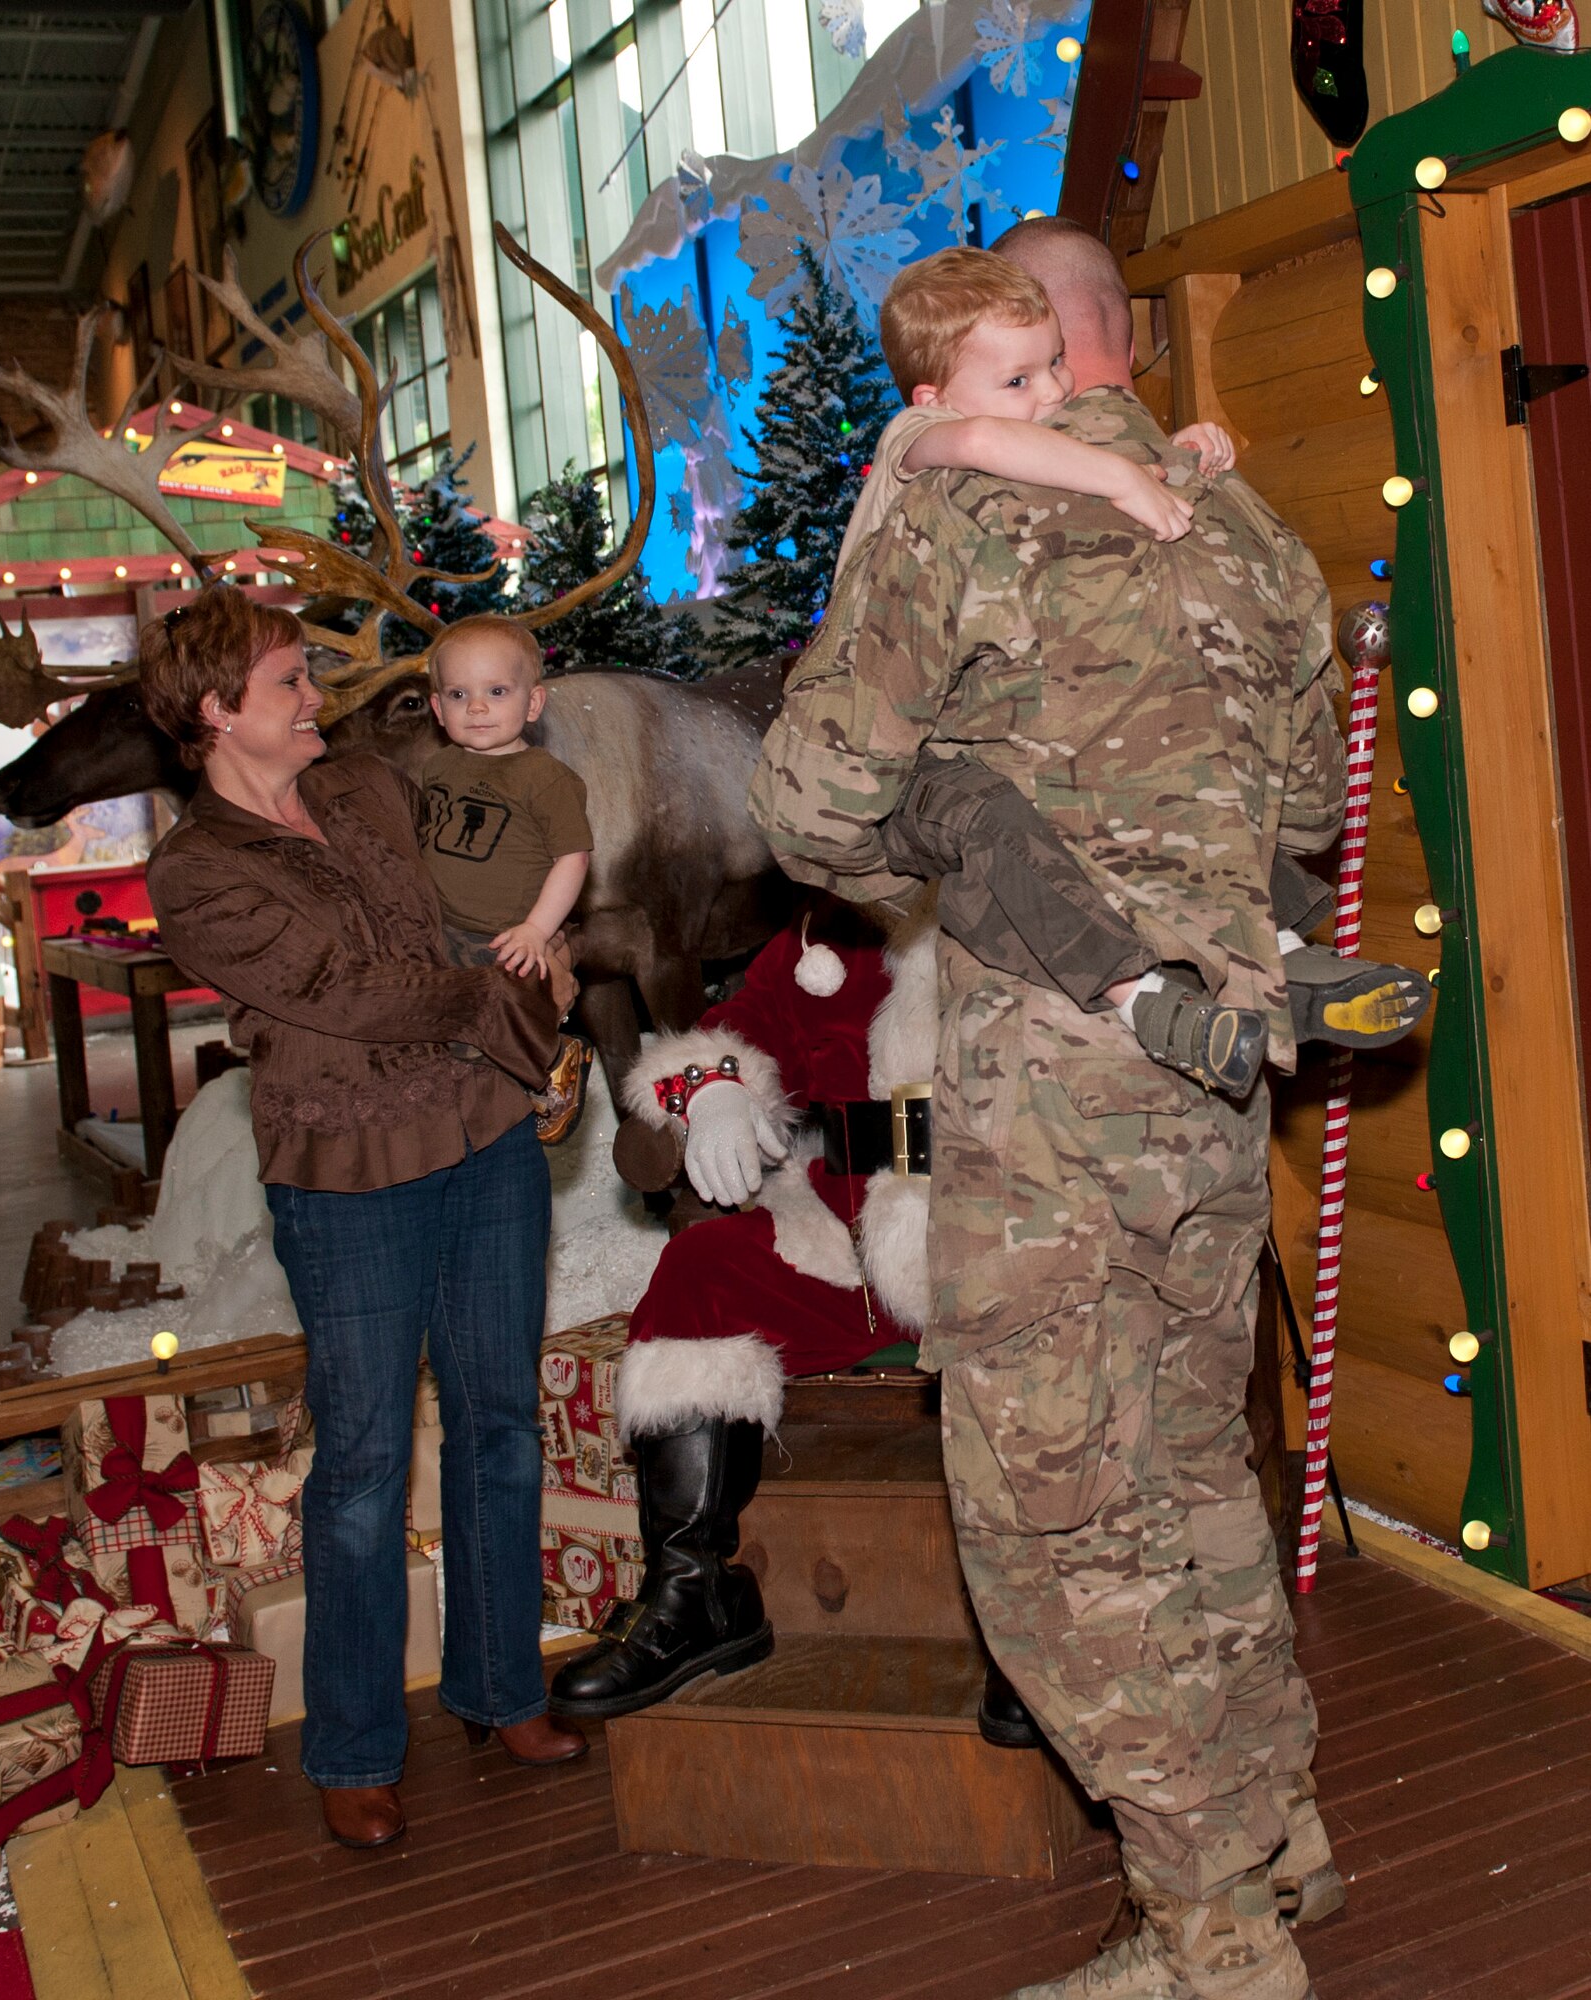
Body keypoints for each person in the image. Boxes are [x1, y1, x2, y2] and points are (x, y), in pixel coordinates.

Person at [750, 217, 1341, 1999]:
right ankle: (1272, 1838)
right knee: (1185, 1466)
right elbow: (1304, 812)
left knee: (1054, 1516)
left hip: (1053, 1093)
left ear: (1013, 342)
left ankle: (1203, 1933)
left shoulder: (953, 507)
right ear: (1122, 339)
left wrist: (948, 832)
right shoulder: (1248, 535)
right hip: (1209, 1080)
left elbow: (806, 804)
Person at [141, 587, 587, 1857]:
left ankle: (504, 1689)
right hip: (345, 1175)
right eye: (287, 680)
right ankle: (350, 1745)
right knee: (363, 1464)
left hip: (484, 1137)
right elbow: (351, 992)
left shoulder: (365, 788)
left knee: (499, 1414)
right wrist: (498, 1001)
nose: (311, 697)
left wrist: (543, 961)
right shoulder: (196, 871)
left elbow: (471, 903)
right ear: (219, 711)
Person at [860, 247, 1427, 1097]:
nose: (1053, 396)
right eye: (1023, 380)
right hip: (938, 768)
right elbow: (1313, 808)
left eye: (1055, 367)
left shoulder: (994, 467)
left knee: (1083, 813)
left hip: (1039, 1030)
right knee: (1078, 822)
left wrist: (1181, 452)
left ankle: (1240, 969)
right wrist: (1133, 470)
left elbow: (814, 808)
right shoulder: (923, 445)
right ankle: (1212, 972)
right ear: (931, 395)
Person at [547, 898, 1056, 1744]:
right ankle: (696, 1596)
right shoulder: (815, 939)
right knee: (699, 1270)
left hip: (988, 1218)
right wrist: (711, 1091)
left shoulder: (996, 915)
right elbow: (730, 1030)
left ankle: (1039, 1631)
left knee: (1012, 1292)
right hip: (841, 1236)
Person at [420, 615, 591, 980]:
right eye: (458, 694)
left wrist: (537, 929)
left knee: (502, 1030)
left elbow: (573, 859)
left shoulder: (546, 778)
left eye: (496, 691)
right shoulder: (438, 766)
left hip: (507, 941)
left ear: (532, 703)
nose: (476, 707)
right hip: (436, 927)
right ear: (438, 709)